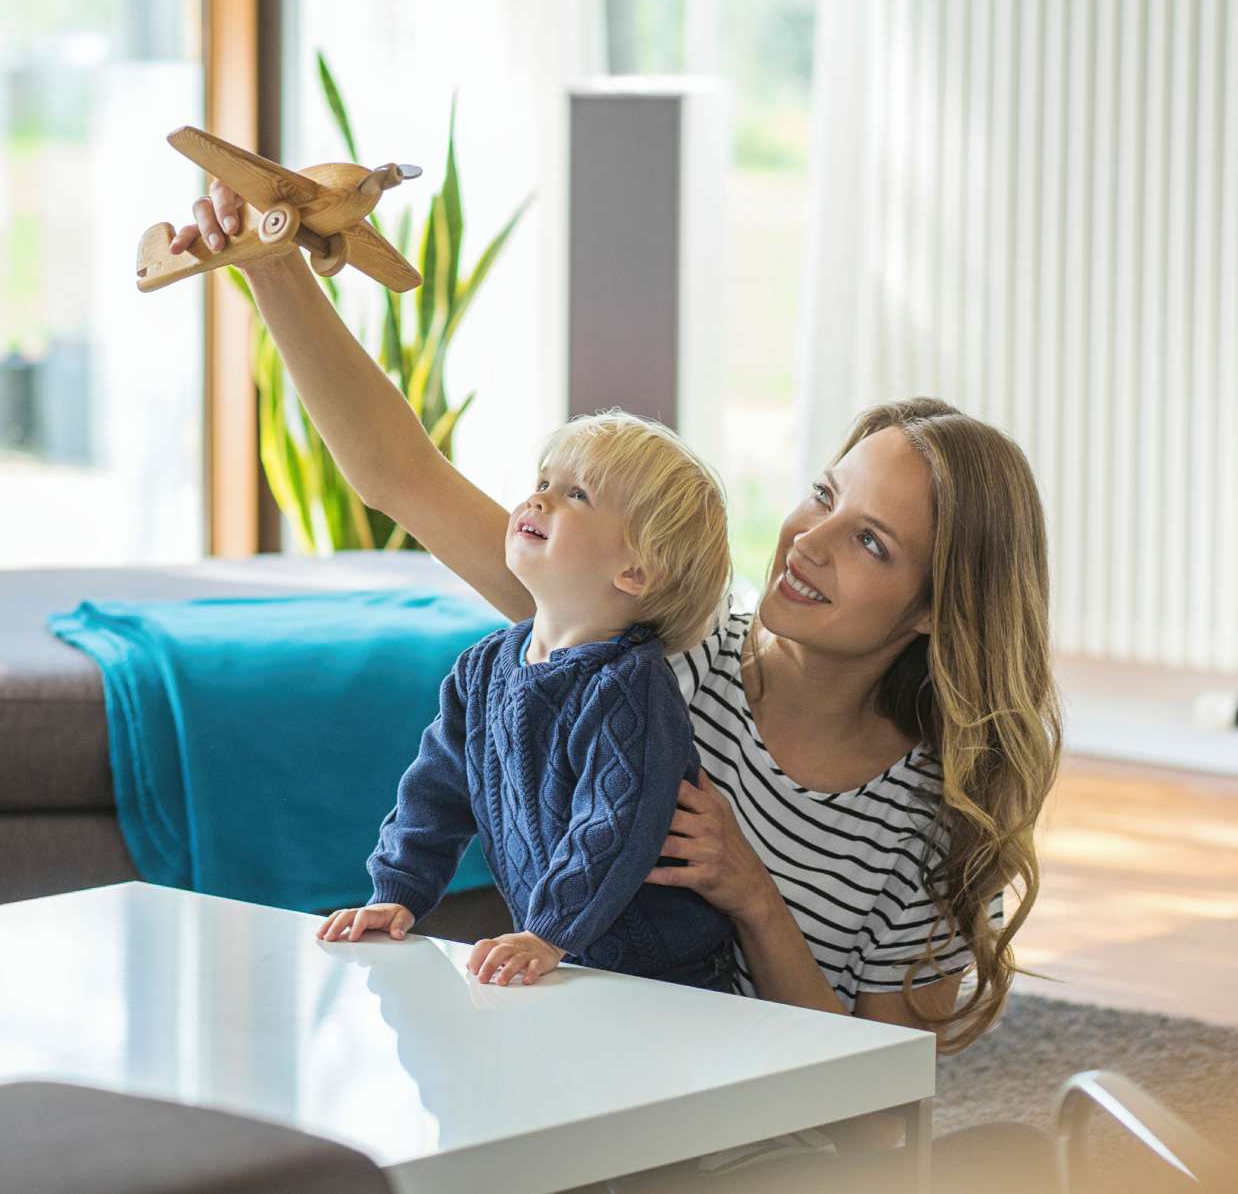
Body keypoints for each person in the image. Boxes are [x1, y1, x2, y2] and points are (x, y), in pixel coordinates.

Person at [173, 187, 1060, 1057]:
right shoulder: (655, 641)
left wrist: (754, 898)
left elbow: (878, 1103)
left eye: (869, 540)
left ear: (937, 612)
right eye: (822, 495)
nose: (808, 540)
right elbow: (402, 475)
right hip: (589, 1091)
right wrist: (275, 265)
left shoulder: (930, 827)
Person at [317, 410, 737, 992]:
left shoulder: (629, 688)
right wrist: (398, 893)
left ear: (636, 571)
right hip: (567, 961)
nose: (539, 502)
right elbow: (435, 792)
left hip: (664, 978)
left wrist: (548, 932)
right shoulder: (484, 668)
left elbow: (611, 829)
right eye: (542, 484)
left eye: (576, 495)